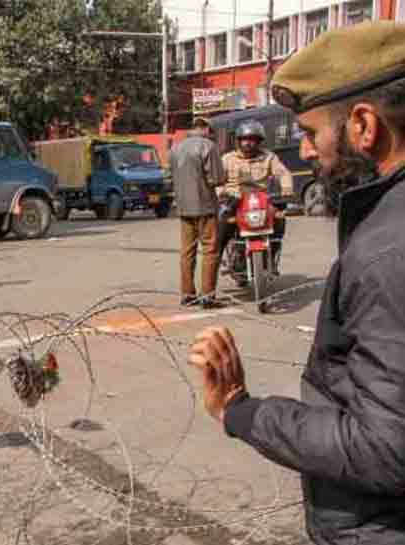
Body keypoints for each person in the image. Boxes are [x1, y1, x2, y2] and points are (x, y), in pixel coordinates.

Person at [188, 22, 405, 545]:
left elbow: (385, 449)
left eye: (309, 133)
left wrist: (241, 411)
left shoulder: (385, 253)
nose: (305, 150)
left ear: (362, 124)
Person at [217, 120, 294, 268]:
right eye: (244, 139)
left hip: (260, 200)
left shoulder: (268, 157)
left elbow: (283, 173)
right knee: (222, 225)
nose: (248, 143)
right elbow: (218, 181)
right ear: (238, 141)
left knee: (279, 220)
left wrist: (286, 188)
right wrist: (221, 192)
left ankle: (272, 256)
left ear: (259, 141)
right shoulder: (227, 159)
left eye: (252, 139)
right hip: (234, 200)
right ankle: (216, 260)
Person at [170, 117, 225, 308]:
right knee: (210, 250)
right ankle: (208, 296)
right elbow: (217, 178)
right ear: (207, 129)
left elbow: (171, 177)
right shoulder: (207, 146)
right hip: (205, 206)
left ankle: (187, 294)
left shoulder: (175, 148)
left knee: (187, 252)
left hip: (184, 208)